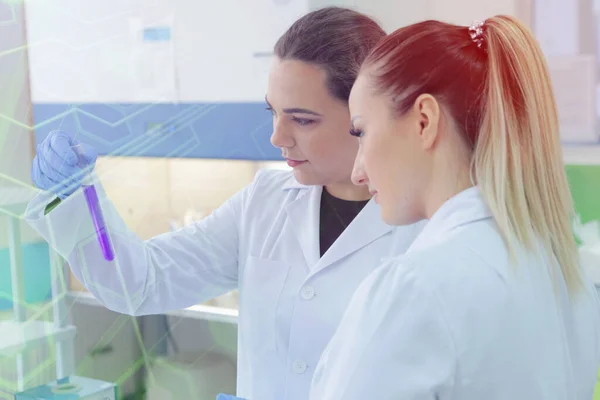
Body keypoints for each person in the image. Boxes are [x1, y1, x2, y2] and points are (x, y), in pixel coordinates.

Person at [25, 7, 425, 400]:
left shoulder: (425, 227)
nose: (277, 137)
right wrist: (81, 197)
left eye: (302, 119)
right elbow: (140, 282)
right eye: (273, 112)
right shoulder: (264, 202)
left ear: (364, 113)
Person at [309, 15, 600, 399]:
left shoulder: (414, 287)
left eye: (362, 132)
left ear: (424, 121)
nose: (358, 172)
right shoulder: (566, 272)